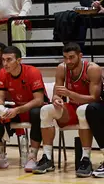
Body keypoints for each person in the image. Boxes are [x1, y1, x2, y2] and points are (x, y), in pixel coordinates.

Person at [36, 44, 101, 176]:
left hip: (91, 110)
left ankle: (86, 159)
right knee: (46, 110)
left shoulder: (92, 69)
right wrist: (56, 99)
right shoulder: (62, 68)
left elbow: (94, 98)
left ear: (80, 56)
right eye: (65, 58)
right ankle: (47, 157)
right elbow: (56, 93)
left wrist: (70, 94)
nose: (68, 61)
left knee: (82, 110)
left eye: (71, 57)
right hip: (71, 107)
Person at [0, 46, 47, 170]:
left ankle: (32, 157)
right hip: (15, 109)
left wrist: (17, 110)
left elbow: (39, 100)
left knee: (36, 113)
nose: (5, 63)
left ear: (19, 61)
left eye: (9, 60)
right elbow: (0, 97)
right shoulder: (2, 73)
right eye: (3, 60)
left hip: (31, 108)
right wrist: (0, 107)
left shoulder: (32, 72)